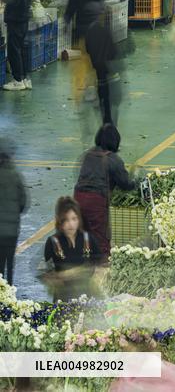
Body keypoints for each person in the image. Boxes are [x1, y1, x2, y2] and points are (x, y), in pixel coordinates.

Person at [73, 124, 135, 257]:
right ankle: (101, 267)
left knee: (81, 232)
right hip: (95, 200)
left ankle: (80, 260)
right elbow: (125, 184)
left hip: (77, 197)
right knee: (100, 236)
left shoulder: (87, 154)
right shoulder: (113, 159)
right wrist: (136, 181)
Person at [42, 197, 102, 301]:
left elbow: (100, 264)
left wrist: (98, 274)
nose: (71, 224)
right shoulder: (52, 242)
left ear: (79, 219)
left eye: (74, 219)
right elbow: (48, 273)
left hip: (87, 298)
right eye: (66, 220)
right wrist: (62, 276)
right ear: (59, 221)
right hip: (63, 299)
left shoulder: (89, 239)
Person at [2, 0, 32, 92]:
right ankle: (25, 79)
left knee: (14, 50)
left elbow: (16, 0)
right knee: (22, 49)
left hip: (17, 20)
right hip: (22, 19)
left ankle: (17, 80)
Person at [0, 140, 27, 282]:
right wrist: (15, 214)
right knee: (9, 263)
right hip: (11, 230)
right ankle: (9, 289)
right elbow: (24, 202)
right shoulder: (16, 176)